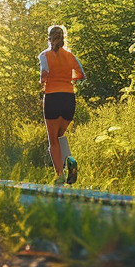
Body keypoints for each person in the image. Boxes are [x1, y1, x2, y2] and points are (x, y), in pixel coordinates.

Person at [39, 24, 85, 186]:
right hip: (68, 98)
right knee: (59, 136)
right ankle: (70, 162)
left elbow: (44, 73)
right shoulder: (70, 56)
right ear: (64, 38)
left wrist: (43, 81)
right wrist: (67, 78)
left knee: (53, 141)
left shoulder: (44, 55)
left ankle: (60, 175)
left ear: (49, 39)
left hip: (52, 97)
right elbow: (81, 74)